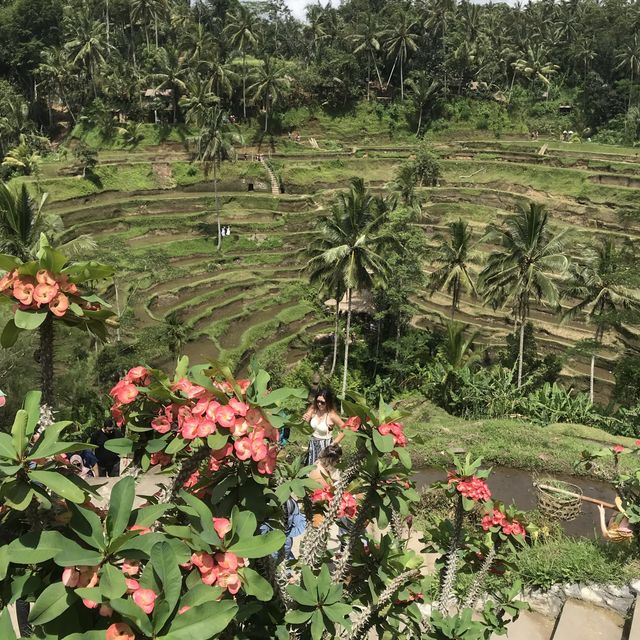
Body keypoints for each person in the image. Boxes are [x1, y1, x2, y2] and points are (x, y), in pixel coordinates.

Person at [303, 388, 344, 465]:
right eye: (318, 401)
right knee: (310, 467)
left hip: (325, 445)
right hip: (313, 443)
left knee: (322, 468)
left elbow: (345, 428)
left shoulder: (332, 415)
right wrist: (305, 418)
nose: (319, 404)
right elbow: (305, 423)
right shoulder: (313, 409)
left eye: (322, 402)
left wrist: (335, 442)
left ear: (328, 402)